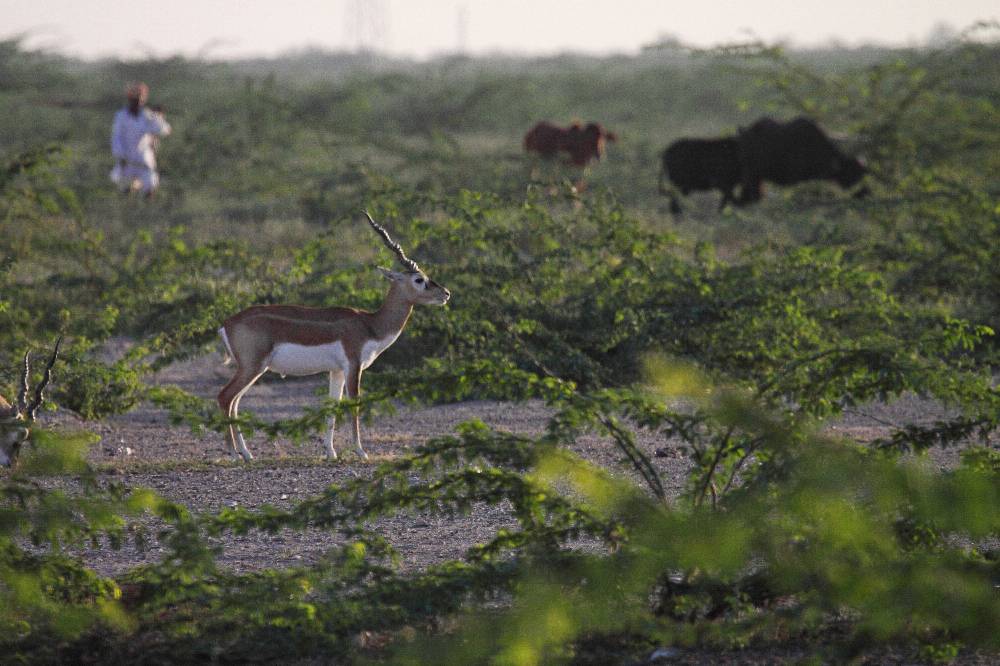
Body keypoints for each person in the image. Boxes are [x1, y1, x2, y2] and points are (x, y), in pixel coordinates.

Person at [110, 82, 171, 198]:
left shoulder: (148, 116)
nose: (137, 101)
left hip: (144, 162)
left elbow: (165, 130)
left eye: (140, 98)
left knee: (149, 190)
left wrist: (158, 117)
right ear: (130, 98)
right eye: (135, 98)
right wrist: (120, 156)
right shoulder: (121, 116)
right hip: (126, 162)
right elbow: (116, 138)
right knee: (125, 191)